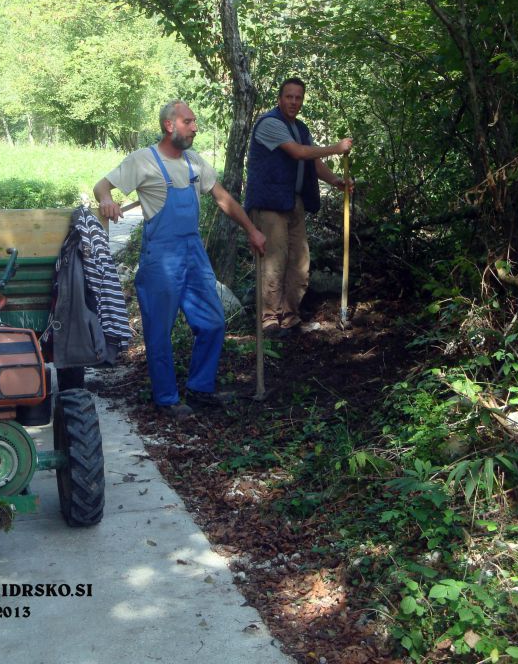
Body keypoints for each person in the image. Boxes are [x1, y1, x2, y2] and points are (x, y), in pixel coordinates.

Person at [94, 100, 266, 419]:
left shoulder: (194, 163)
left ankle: (200, 389)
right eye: (189, 122)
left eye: (195, 122)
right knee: (160, 330)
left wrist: (252, 230)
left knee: (213, 322)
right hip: (160, 256)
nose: (195, 127)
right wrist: (106, 200)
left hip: (193, 254)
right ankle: (167, 398)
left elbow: (223, 199)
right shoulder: (142, 160)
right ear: (169, 125)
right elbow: (102, 185)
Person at [244, 77, 353, 337]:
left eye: (298, 98)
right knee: (274, 261)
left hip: (293, 202)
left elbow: (312, 163)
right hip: (270, 203)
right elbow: (298, 153)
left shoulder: (300, 128)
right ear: (280, 98)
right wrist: (336, 148)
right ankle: (269, 320)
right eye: (289, 96)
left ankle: (290, 317)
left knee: (299, 262)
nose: (294, 102)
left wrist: (336, 181)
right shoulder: (270, 123)